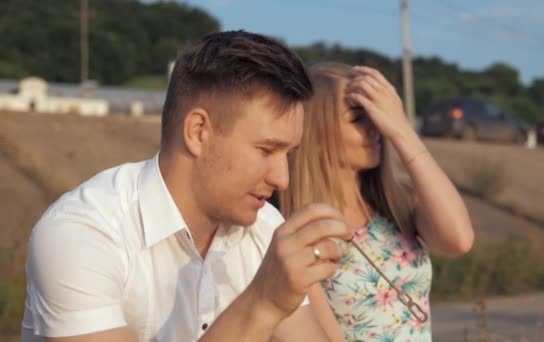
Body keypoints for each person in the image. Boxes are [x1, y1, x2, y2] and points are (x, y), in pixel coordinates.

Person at [21, 31, 351, 342]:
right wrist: (264, 303)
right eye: (266, 150)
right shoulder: (82, 233)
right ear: (197, 132)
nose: (282, 179)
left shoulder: (265, 228)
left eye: (288, 154)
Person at [276, 62, 475, 341]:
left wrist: (402, 130)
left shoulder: (398, 201)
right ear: (316, 131)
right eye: (358, 118)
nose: (376, 127)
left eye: (377, 115)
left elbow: (458, 240)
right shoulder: (298, 230)